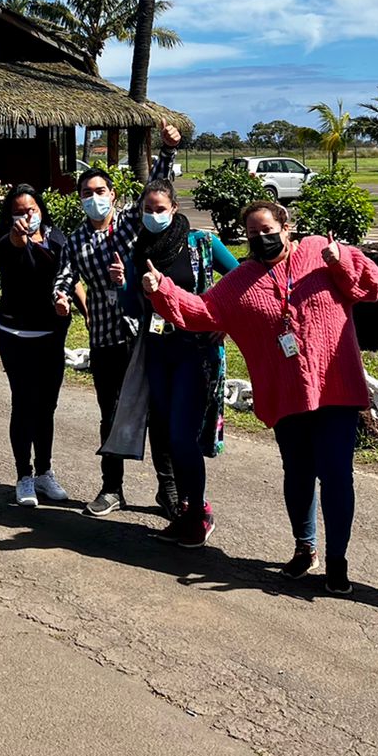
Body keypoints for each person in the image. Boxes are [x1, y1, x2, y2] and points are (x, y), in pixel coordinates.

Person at [142, 200, 378, 594]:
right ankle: (305, 548)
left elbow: (371, 286)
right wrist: (163, 290)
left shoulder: (319, 253)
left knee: (337, 475)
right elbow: (202, 311)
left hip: (335, 389)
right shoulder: (242, 280)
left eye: (268, 229)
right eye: (253, 233)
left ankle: (337, 560)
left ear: (286, 226)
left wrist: (341, 260)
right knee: (298, 474)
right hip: (286, 394)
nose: (261, 238)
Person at [51, 119, 183, 518]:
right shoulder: (75, 239)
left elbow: (155, 188)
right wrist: (59, 295)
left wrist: (167, 149)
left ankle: (169, 490)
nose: (95, 199)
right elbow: (65, 274)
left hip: (145, 334)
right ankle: (112, 488)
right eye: (88, 194)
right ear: (80, 200)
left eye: (100, 191)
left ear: (113, 195)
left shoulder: (128, 222)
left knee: (158, 411)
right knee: (110, 412)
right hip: (105, 338)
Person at [129, 180, 238, 547]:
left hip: (195, 351)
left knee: (182, 434)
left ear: (175, 208)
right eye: (148, 209)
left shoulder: (201, 244)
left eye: (160, 208)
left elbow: (242, 281)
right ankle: (189, 507)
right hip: (159, 353)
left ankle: (199, 513)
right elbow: (131, 307)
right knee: (169, 435)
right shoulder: (139, 249)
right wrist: (130, 286)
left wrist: (224, 321)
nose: (154, 215)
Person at [0, 184, 72, 508]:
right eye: (18, 211)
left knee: (47, 406)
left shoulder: (58, 239)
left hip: (50, 335)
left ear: (40, 208)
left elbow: (67, 276)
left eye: (31, 209)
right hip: (16, 335)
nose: (26, 216)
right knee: (24, 403)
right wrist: (18, 237)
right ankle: (23, 475)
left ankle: (44, 471)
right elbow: (13, 254)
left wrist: (66, 299)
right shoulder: (7, 241)